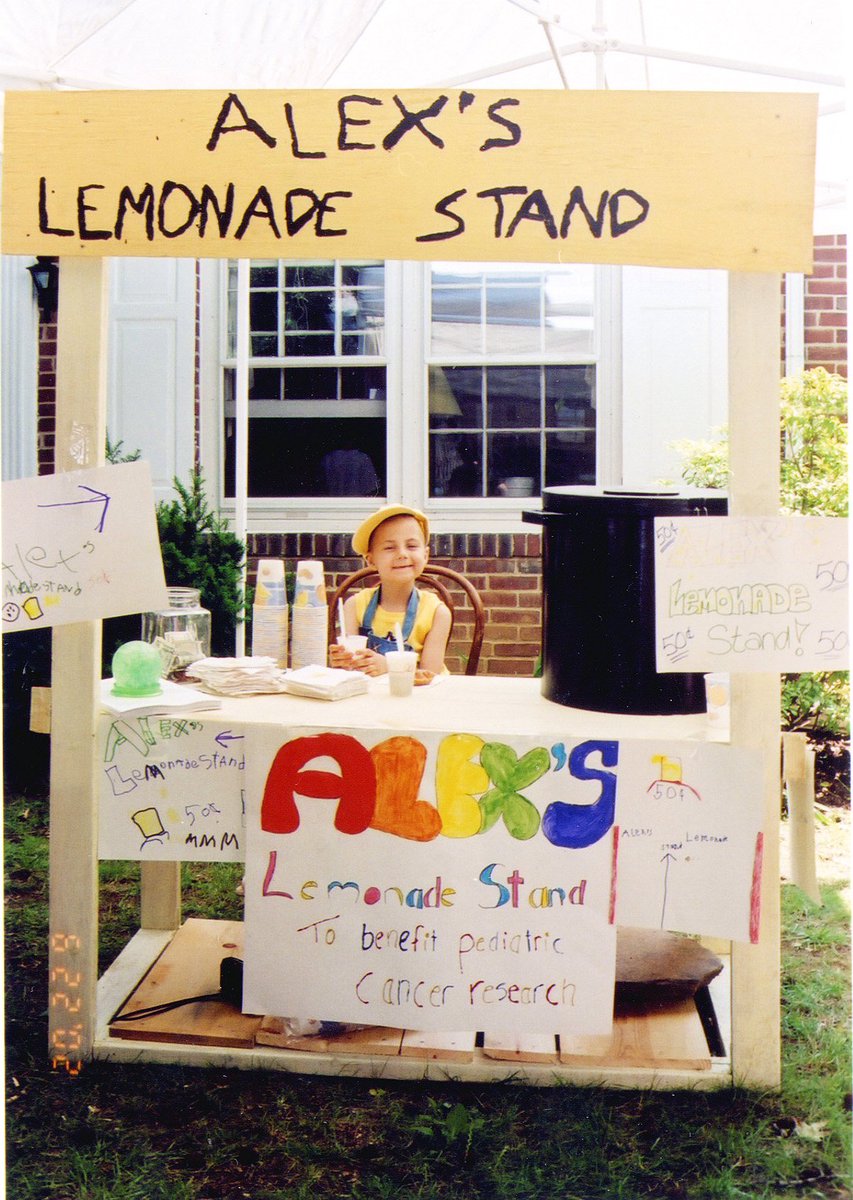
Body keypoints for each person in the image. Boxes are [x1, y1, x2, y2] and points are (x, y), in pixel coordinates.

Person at [329, 504, 451, 677]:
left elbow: (429, 677)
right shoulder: (354, 606)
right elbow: (349, 673)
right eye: (389, 548)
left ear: (425, 555)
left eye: (411, 546)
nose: (402, 554)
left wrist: (389, 667)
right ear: (370, 560)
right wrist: (343, 661)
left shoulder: (437, 613)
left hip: (416, 699)